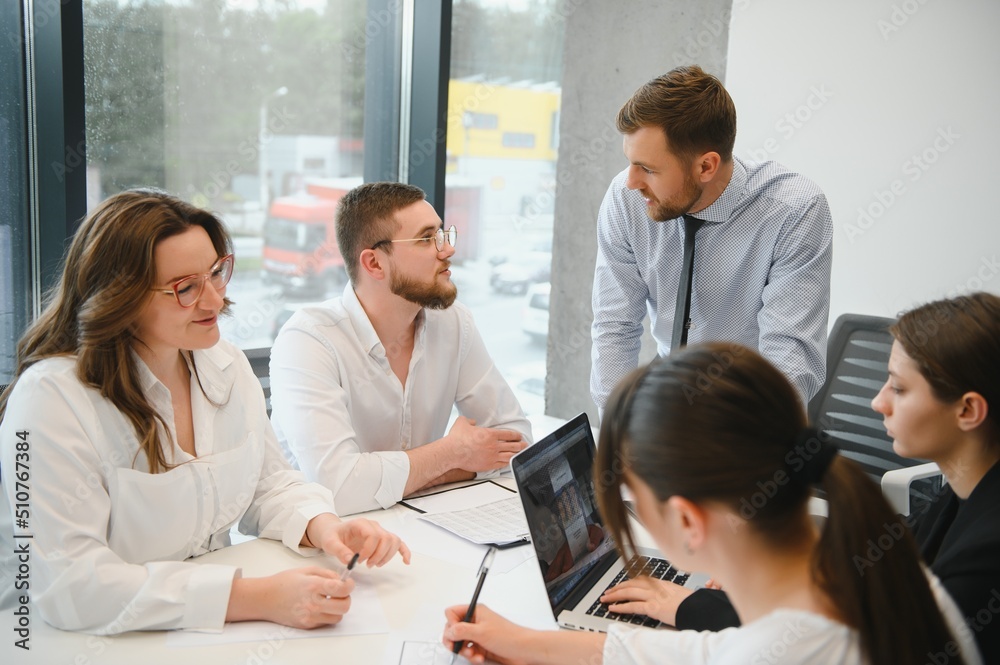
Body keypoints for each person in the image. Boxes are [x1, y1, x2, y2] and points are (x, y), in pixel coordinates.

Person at [0, 189, 410, 634]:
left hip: (190, 631)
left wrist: (325, 527)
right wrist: (255, 598)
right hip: (62, 639)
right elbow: (71, 586)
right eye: (185, 288)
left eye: (216, 273)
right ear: (120, 297)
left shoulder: (224, 363)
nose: (215, 301)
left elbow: (267, 483)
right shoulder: (51, 399)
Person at [443, 343, 980, 665]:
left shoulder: (787, 648)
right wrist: (525, 643)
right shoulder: (870, 570)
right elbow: (703, 655)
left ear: (685, 522)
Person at [270, 182, 531, 515]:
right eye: (426, 239)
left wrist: (405, 477)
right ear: (375, 264)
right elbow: (338, 488)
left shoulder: (453, 322)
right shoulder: (308, 340)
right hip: (323, 547)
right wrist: (451, 454)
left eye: (443, 234)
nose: (447, 250)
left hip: (418, 526)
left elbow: (517, 440)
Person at [591, 65, 832, 411]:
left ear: (706, 167)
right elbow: (615, 326)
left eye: (649, 168)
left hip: (747, 416)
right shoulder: (626, 199)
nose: (631, 181)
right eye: (630, 162)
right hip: (667, 405)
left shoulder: (793, 211)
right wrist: (618, 435)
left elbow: (788, 364)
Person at [871, 292, 1000, 663]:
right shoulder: (962, 491)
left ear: (968, 409)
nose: (878, 402)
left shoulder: (985, 560)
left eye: (898, 388)